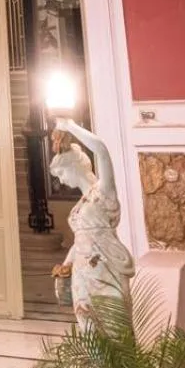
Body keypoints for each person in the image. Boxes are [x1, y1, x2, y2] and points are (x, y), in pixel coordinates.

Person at [50, 117, 135, 320]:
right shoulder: (81, 203)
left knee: (113, 323)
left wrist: (69, 126)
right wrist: (66, 265)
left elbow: (102, 151)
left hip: (105, 265)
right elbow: (81, 239)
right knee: (86, 324)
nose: (61, 180)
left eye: (61, 173)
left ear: (74, 166)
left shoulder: (103, 191)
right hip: (82, 270)